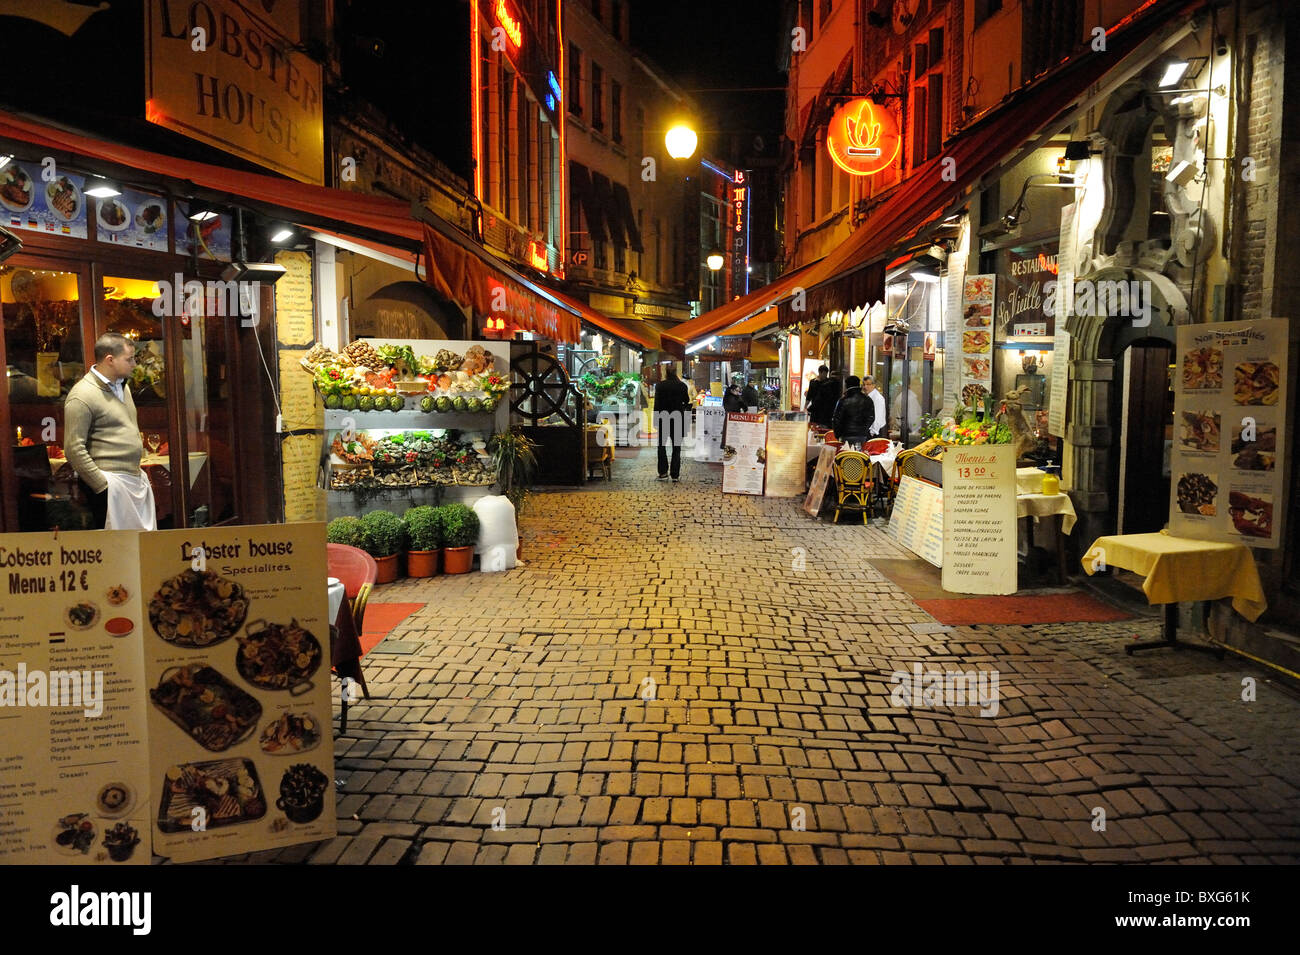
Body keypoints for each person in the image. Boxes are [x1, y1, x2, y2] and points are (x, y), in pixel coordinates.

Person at [64, 332, 156, 530]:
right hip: (110, 484)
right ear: (110, 360)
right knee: (117, 550)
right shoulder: (82, 395)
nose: (134, 364)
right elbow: (73, 449)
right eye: (129, 359)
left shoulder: (123, 387)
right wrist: (102, 486)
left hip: (132, 479)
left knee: (140, 548)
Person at [654, 365, 690, 482]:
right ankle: (675, 474)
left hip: (663, 418)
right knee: (676, 447)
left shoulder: (660, 386)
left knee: (661, 446)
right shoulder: (682, 386)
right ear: (676, 372)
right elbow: (687, 400)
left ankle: (663, 472)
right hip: (678, 418)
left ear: (666, 373)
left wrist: (655, 420)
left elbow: (657, 403)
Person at [831, 375, 875, 445]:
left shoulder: (843, 400)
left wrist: (838, 435)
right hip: (862, 436)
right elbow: (871, 417)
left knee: (847, 454)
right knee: (860, 455)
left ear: (846, 385)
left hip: (846, 435)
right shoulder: (868, 399)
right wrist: (864, 429)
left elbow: (836, 420)